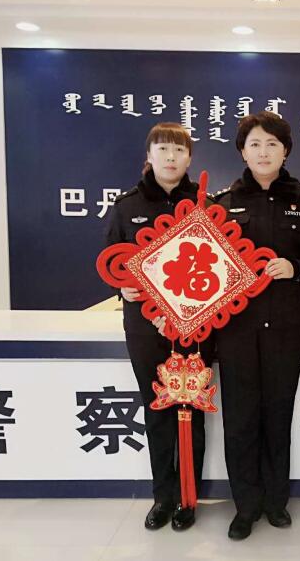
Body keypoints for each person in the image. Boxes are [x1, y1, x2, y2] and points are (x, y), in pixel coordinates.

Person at [213, 111, 300, 540]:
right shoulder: (221, 205)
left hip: (285, 325)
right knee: (241, 419)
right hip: (237, 329)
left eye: (272, 144)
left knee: (278, 414)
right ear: (242, 152)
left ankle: (276, 501)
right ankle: (245, 507)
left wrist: (296, 268)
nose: (263, 152)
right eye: (254, 144)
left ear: (285, 151)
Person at [104, 122, 214, 532]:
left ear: (190, 158)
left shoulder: (205, 205)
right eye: (163, 149)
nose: (171, 157)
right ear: (149, 156)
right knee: (157, 410)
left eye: (179, 150)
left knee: (192, 411)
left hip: (194, 327)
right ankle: (163, 497)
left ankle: (189, 498)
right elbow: (110, 260)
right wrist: (121, 287)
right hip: (145, 327)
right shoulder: (126, 205)